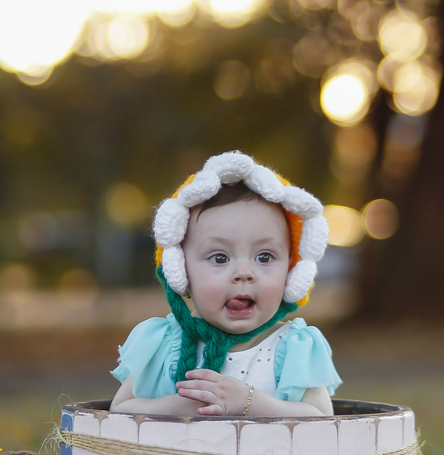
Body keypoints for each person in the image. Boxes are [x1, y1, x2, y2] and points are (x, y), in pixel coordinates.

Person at [109, 151, 340, 417]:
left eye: (264, 257)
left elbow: (322, 418)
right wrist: (180, 406)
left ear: (291, 270)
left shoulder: (293, 346)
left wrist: (250, 403)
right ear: (181, 270)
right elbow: (120, 410)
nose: (244, 273)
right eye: (220, 258)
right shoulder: (164, 343)